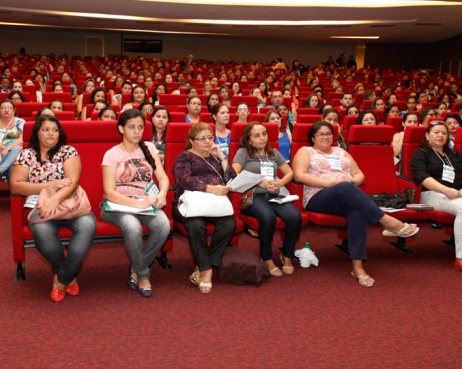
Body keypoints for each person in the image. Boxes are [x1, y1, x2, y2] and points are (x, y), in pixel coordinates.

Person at [293, 121, 419, 287]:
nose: (326, 137)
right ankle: (387, 221)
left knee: (357, 213)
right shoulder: (306, 151)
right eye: (321, 134)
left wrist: (353, 181)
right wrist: (332, 184)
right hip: (318, 196)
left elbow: (359, 174)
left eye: (329, 133)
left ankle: (357, 266)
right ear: (313, 137)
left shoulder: (340, 151)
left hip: (345, 194)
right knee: (345, 186)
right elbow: (299, 175)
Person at [10, 116, 96, 302]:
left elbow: (72, 183)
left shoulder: (68, 151)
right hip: (40, 205)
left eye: (55, 130)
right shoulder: (27, 155)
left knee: (88, 226)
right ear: (37, 133)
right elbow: (16, 185)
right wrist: (51, 184)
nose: (51, 133)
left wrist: (54, 198)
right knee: (43, 234)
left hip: (69, 203)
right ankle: (68, 274)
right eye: (46, 129)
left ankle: (61, 279)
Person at [101, 110, 171, 297]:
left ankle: (136, 268)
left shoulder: (149, 148)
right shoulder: (112, 154)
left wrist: (162, 194)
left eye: (140, 127)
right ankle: (143, 274)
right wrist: (138, 205)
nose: (137, 131)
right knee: (132, 227)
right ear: (121, 128)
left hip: (146, 200)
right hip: (117, 204)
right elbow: (109, 192)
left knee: (163, 226)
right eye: (131, 127)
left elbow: (163, 178)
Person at [411, 121, 462, 276]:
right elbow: (421, 176)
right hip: (432, 194)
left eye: (444, 133)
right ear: (427, 135)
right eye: (436, 132)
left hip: (458, 193)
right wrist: (445, 190)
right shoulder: (422, 153)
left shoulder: (453, 153)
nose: (440, 136)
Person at [172, 122, 237, 294]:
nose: (207, 142)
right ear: (192, 141)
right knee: (195, 226)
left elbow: (232, 179)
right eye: (202, 139)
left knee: (229, 224)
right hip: (188, 204)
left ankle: (203, 264)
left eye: (210, 138)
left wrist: (222, 156)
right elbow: (183, 179)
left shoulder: (215, 157)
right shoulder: (185, 157)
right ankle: (207, 271)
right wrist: (210, 188)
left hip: (215, 204)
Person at [232, 122, 300, 276]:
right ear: (249, 140)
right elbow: (234, 174)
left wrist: (279, 183)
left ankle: (287, 254)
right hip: (252, 196)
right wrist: (257, 181)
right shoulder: (243, 153)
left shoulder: (273, 152)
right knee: (268, 218)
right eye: (257, 135)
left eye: (264, 133)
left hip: (274, 195)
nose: (262, 138)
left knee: (295, 217)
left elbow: (289, 173)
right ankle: (266, 256)